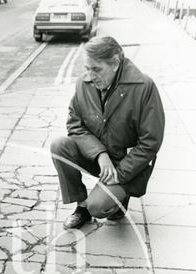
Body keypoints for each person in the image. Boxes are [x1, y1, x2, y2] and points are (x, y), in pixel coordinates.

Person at [50, 36, 165, 229]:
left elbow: (150, 142)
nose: (90, 75)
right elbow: (75, 126)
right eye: (87, 68)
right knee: (59, 146)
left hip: (128, 165)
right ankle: (82, 207)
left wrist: (120, 175)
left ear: (115, 64)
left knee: (100, 207)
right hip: (99, 159)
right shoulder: (83, 84)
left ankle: (118, 199)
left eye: (96, 69)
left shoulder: (144, 87)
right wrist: (100, 155)